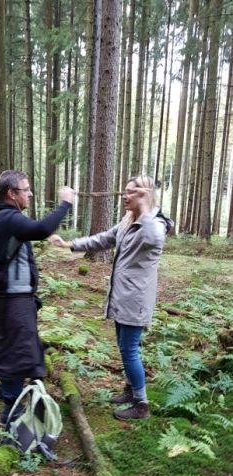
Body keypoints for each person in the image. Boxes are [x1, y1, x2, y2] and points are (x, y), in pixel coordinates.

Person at [49, 174, 172, 421]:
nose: (125, 196)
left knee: (129, 350)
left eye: (131, 192)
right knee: (125, 347)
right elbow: (103, 239)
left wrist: (147, 208)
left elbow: (154, 239)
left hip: (135, 299)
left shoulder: (154, 223)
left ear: (145, 194)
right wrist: (69, 244)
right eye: (124, 192)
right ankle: (130, 389)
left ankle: (141, 403)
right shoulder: (129, 221)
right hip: (121, 295)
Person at [0, 169, 74, 426]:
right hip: (12, 301)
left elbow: (30, 232)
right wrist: (66, 202)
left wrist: (45, 235)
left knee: (18, 348)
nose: (30, 194)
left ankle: (9, 394)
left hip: (12, 301)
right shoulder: (7, 218)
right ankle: (9, 417)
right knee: (16, 354)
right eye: (26, 190)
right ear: (12, 194)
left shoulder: (3, 218)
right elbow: (42, 226)